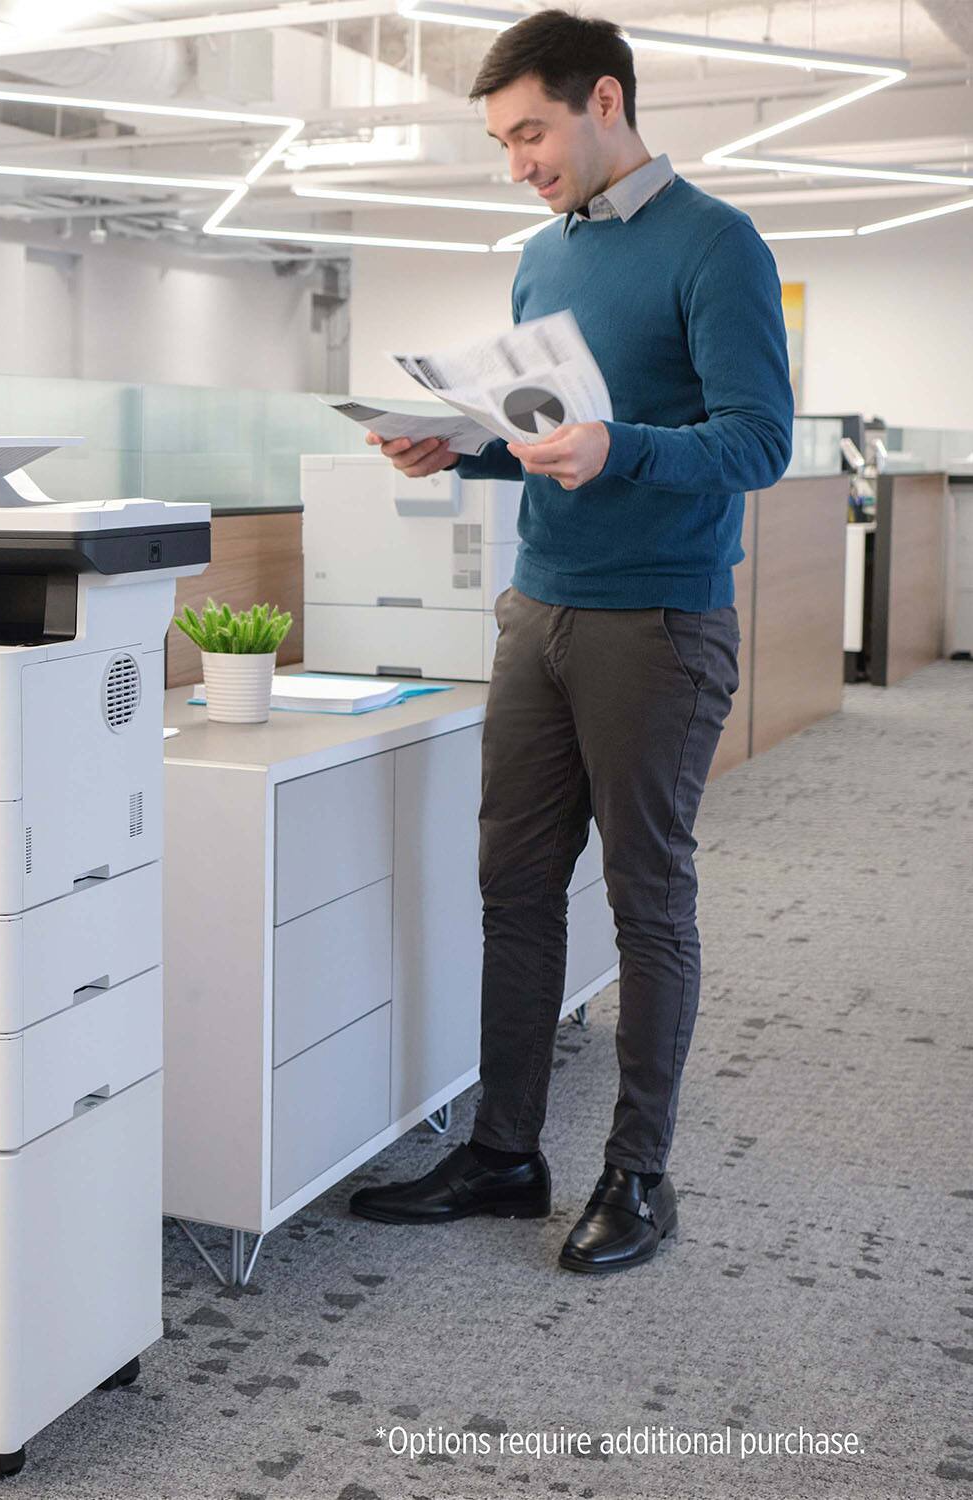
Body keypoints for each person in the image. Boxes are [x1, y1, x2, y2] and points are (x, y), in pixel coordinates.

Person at [348, 7, 792, 1273]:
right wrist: (467, 448)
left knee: (649, 899)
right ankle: (506, 1153)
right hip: (537, 607)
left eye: (532, 132)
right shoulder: (544, 258)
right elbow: (554, 440)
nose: (519, 163)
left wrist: (622, 448)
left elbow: (759, 442)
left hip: (658, 617)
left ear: (606, 100)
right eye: (502, 141)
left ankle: (639, 1179)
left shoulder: (717, 245)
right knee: (512, 890)